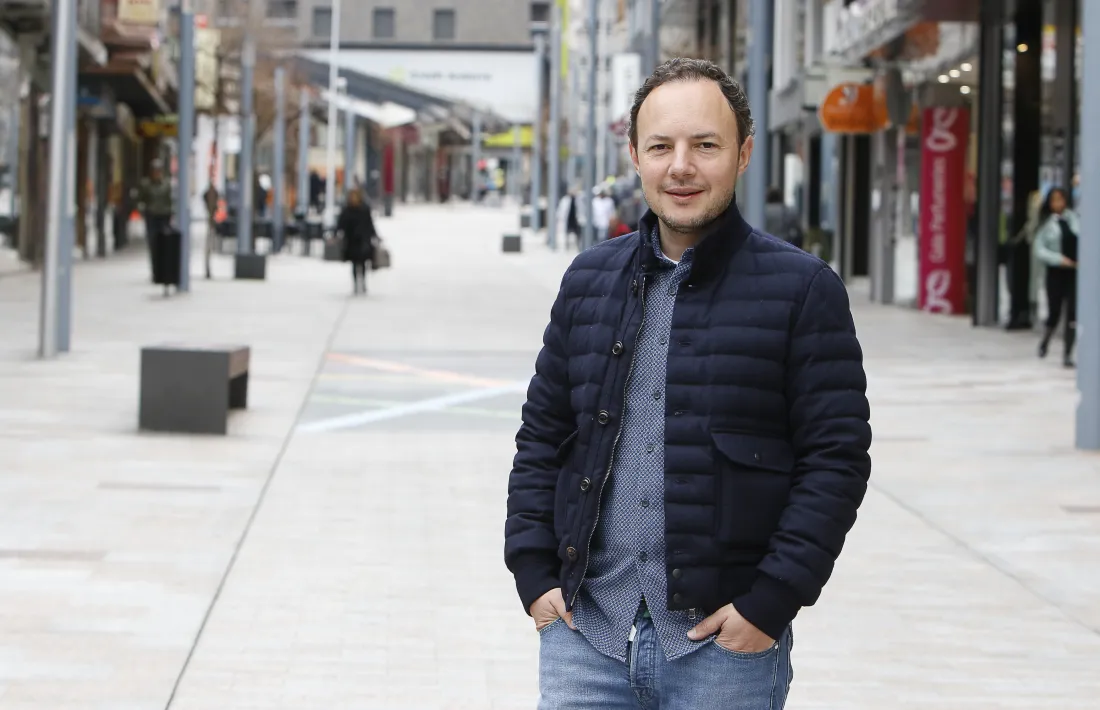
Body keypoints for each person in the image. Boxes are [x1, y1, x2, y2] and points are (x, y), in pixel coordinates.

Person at [505, 57, 872, 709]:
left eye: (705, 145)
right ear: (635, 156)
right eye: (661, 146)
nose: (681, 166)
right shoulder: (589, 280)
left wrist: (769, 604)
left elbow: (835, 461)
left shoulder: (803, 289)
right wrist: (533, 574)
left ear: (743, 153)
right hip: (585, 637)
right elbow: (542, 438)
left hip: (721, 651)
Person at [1033, 187, 1079, 368]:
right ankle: (1046, 340)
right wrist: (1058, 259)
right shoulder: (1046, 224)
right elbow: (1039, 249)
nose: (1058, 203)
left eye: (1061, 199)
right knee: (1055, 312)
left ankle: (1068, 354)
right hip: (1056, 273)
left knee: (1073, 314)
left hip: (1074, 272)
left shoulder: (1074, 219)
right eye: (1054, 200)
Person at [134, 159, 173, 281]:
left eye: (159, 171)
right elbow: (140, 199)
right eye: (155, 171)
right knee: (153, 244)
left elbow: (171, 201)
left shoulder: (166, 184)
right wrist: (143, 209)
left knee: (164, 246)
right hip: (151, 217)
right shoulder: (146, 185)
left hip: (164, 217)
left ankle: (163, 272)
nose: (157, 173)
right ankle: (155, 272)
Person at [336, 188, 376, 295]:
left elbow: (370, 224)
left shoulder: (364, 209)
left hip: (363, 240)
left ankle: (362, 283)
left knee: (362, 263)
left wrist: (374, 235)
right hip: (351, 240)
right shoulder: (347, 210)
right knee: (354, 263)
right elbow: (341, 224)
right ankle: (356, 284)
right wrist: (337, 233)